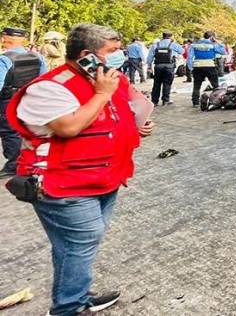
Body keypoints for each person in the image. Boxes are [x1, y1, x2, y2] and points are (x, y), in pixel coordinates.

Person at [4, 23, 154, 315]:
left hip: (104, 178)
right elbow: (69, 126)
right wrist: (100, 94)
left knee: (75, 245)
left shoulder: (110, 79)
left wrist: (139, 127)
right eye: (111, 51)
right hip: (64, 185)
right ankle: (69, 307)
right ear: (86, 54)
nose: (119, 56)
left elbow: (122, 113)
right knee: (80, 242)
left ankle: (74, 295)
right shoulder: (49, 87)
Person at [0, 26, 47, 177]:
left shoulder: (4, 59)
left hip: (8, 100)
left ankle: (13, 164)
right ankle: (25, 161)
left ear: (4, 39)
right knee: (23, 130)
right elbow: (42, 78)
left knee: (9, 132)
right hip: (27, 98)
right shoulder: (37, 57)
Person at [188, 31, 226, 108]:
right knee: (215, 85)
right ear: (212, 37)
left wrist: (191, 67)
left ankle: (195, 102)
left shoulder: (194, 44)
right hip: (209, 66)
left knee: (197, 85)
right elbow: (223, 52)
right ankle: (216, 100)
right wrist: (218, 42)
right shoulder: (213, 45)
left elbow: (190, 57)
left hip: (197, 66)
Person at [147, 32, 184, 106]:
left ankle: (154, 101)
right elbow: (182, 51)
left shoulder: (155, 45)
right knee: (167, 83)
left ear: (162, 36)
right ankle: (165, 100)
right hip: (169, 66)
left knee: (156, 84)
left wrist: (149, 66)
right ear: (171, 37)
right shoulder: (173, 44)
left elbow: (150, 57)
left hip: (158, 66)